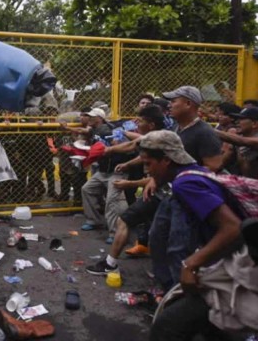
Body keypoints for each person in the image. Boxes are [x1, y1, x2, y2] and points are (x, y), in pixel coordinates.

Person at [137, 131, 244, 341]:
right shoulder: (195, 172)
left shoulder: (185, 184)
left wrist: (191, 265)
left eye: (149, 163)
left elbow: (233, 227)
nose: (146, 170)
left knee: (166, 329)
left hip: (232, 266)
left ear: (167, 160)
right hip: (228, 263)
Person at [86, 105, 165, 275]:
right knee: (134, 221)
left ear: (150, 124)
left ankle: (168, 274)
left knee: (162, 230)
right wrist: (120, 157)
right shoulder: (152, 137)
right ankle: (112, 262)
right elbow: (133, 146)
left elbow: (133, 146)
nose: (137, 122)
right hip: (156, 188)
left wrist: (132, 183)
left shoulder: (160, 139)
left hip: (167, 191)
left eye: (141, 120)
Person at [68, 108, 131, 244]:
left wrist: (113, 145)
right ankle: (94, 220)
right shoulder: (95, 129)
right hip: (103, 171)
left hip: (116, 170)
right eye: (89, 116)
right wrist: (66, 127)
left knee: (111, 200)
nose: (89, 118)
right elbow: (83, 131)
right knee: (87, 189)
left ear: (100, 118)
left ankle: (115, 233)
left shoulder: (108, 130)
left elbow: (118, 144)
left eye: (92, 116)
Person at [216, 107, 258, 179]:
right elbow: (219, 164)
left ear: (254, 123)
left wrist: (208, 130)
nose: (237, 122)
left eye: (241, 119)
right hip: (246, 183)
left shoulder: (239, 140)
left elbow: (242, 141)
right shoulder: (236, 141)